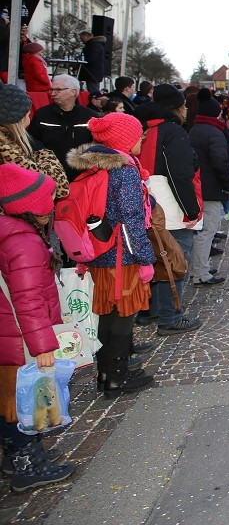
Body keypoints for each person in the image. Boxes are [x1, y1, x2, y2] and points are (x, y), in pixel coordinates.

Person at [69, 113, 156, 397]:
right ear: (123, 139)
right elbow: (131, 219)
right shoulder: (124, 170)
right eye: (138, 133)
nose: (142, 137)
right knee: (124, 315)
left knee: (107, 314)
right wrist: (145, 259)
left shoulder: (93, 166)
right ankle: (118, 378)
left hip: (98, 253)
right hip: (122, 257)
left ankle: (105, 372)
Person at [0, 164, 75, 491]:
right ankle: (27, 464)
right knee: (24, 402)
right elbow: (27, 300)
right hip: (20, 339)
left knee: (9, 399)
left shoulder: (8, 230)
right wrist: (43, 346)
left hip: (10, 334)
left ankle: (13, 456)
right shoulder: (23, 241)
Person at [134, 84, 203, 335]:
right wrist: (191, 210)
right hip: (169, 206)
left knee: (153, 257)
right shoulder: (173, 131)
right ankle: (170, 315)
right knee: (174, 260)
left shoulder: (141, 126)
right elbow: (180, 175)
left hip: (145, 202)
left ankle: (150, 310)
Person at [188, 90, 229, 286]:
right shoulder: (214, 133)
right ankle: (200, 273)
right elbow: (220, 162)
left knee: (201, 231)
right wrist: (228, 185)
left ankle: (199, 268)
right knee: (207, 231)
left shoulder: (194, 129)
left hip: (198, 187)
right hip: (210, 189)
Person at [0, 83, 69, 201]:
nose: (29, 117)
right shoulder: (6, 150)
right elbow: (60, 188)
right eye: (27, 114)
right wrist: (45, 153)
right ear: (17, 120)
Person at [28, 75, 98, 183]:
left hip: (82, 177)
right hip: (50, 176)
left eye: (58, 90)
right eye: (52, 90)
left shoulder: (91, 117)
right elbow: (32, 142)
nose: (53, 93)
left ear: (73, 92)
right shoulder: (42, 115)